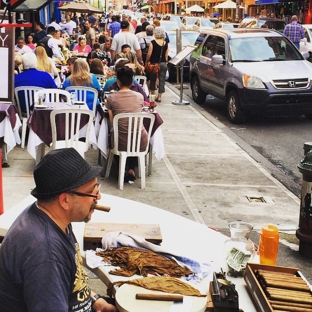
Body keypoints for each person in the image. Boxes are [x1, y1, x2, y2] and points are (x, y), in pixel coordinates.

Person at [0, 148, 117, 312]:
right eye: (92, 191)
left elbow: (71, 283)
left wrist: (95, 300)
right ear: (65, 201)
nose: (98, 197)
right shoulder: (45, 254)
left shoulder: (52, 216)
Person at [106, 66, 148, 182]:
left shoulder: (111, 98)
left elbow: (111, 120)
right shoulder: (139, 97)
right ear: (131, 81)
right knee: (134, 134)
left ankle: (122, 167)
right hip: (140, 140)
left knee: (114, 136)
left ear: (118, 81)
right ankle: (131, 168)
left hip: (120, 141)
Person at [145, 27, 168, 102]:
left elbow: (149, 54)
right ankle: (159, 97)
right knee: (162, 80)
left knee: (153, 79)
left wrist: (147, 61)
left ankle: (152, 96)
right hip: (163, 63)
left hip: (154, 64)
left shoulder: (153, 42)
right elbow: (166, 55)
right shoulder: (165, 43)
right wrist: (165, 62)